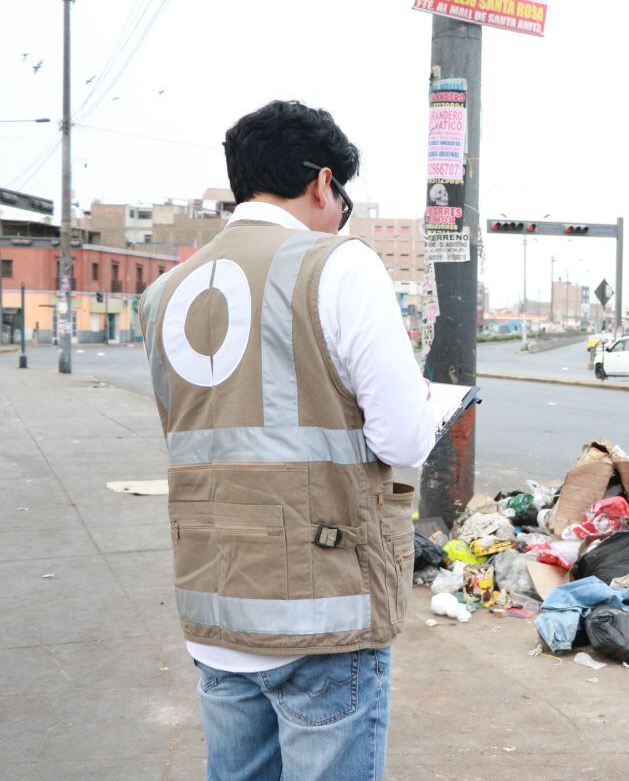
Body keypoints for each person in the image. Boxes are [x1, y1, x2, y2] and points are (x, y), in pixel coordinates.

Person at [138, 100, 438, 781]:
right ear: (323, 183)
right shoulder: (336, 266)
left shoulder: (163, 294)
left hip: (214, 600)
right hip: (319, 604)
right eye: (342, 199)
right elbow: (403, 438)